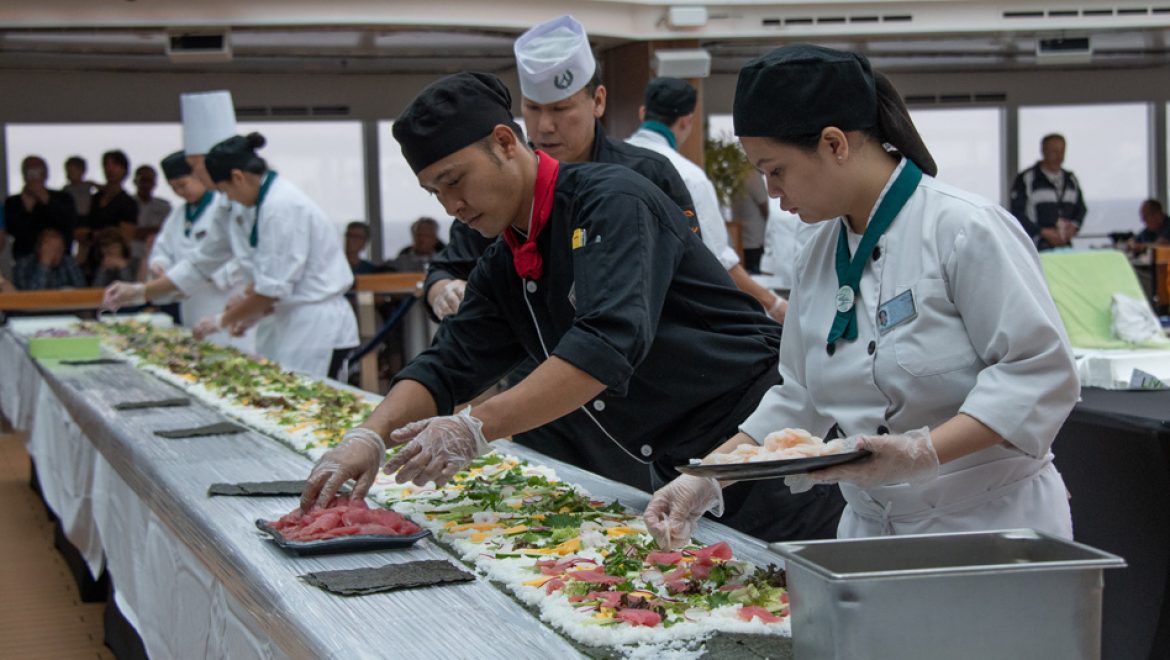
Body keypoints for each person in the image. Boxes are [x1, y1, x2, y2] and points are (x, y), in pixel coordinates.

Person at [298, 71, 844, 544]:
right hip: (675, 466)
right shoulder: (506, 259)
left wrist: (475, 426)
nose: (451, 205)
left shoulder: (613, 201)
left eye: (455, 180)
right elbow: (450, 364)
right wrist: (366, 435)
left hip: (756, 446)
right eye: (434, 193)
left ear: (505, 141)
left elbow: (606, 346)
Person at [643, 45, 1079, 547]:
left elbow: (1038, 373)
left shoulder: (963, 229)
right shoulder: (817, 252)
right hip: (870, 530)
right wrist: (709, 476)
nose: (773, 191)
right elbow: (798, 398)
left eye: (776, 170)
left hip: (991, 524)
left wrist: (923, 451)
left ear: (834, 144)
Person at [423, 15, 697, 323]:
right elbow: (446, 269)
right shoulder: (502, 184)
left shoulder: (648, 173)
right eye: (533, 108)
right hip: (533, 360)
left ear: (598, 101)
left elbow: (690, 273)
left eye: (561, 109)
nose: (545, 126)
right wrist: (445, 292)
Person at [189, 133, 359, 378]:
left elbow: (271, 290)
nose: (229, 199)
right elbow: (272, 279)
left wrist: (220, 321)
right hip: (292, 322)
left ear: (237, 177)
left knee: (310, 405)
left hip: (314, 328)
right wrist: (246, 309)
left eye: (225, 191)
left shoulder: (281, 207)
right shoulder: (267, 202)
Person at [627, 77, 787, 322]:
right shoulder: (688, 176)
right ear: (687, 121)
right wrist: (773, 304)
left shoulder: (608, 163)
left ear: (642, 113)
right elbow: (718, 259)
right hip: (670, 312)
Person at [145, 151, 254, 351]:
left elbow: (242, 254)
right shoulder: (177, 215)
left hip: (223, 300)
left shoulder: (223, 207)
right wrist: (159, 265)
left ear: (197, 177)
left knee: (232, 358)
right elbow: (162, 249)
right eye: (174, 187)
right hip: (191, 302)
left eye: (183, 184)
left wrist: (209, 274)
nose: (180, 191)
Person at [1009, 133, 1087, 250]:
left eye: (1062, 152)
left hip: (1065, 247)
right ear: (1043, 151)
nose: (1059, 157)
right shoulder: (1027, 179)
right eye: (1054, 152)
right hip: (1035, 247)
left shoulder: (1071, 180)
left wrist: (1074, 227)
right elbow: (1017, 213)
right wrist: (1042, 232)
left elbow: (1081, 209)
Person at [4, 155, 79, 261]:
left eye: (37, 170)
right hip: (26, 258)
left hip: (61, 258)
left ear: (46, 174)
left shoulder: (63, 198)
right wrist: (27, 208)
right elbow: (13, 231)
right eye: (30, 171)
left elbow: (68, 224)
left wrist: (46, 200)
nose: (34, 176)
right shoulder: (13, 202)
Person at [13, 228, 86, 290]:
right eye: (51, 249)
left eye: (59, 249)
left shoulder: (68, 262)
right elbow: (31, 298)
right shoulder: (23, 265)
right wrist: (44, 265)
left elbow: (82, 291)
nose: (55, 254)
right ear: (38, 249)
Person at [732, 169, 770, 273]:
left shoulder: (738, 174)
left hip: (741, 238)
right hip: (754, 240)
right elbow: (765, 208)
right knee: (755, 275)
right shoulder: (753, 176)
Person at [133, 165, 173, 231]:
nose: (146, 185)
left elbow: (168, 229)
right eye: (143, 180)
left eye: (149, 181)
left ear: (154, 183)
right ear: (135, 181)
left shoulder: (164, 207)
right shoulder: (125, 205)